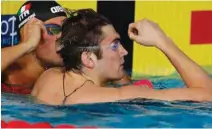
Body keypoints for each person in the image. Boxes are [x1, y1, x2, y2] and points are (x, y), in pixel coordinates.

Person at [32, 9, 212, 105]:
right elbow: (208, 95)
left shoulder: (48, 79)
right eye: (115, 45)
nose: (124, 51)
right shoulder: (123, 95)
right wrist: (163, 41)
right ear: (88, 59)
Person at [1, 1, 130, 93]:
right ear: (29, 34)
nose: (62, 37)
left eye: (66, 29)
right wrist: (27, 44)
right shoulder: (7, 73)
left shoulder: (73, 64)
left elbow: (124, 84)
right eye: (52, 29)